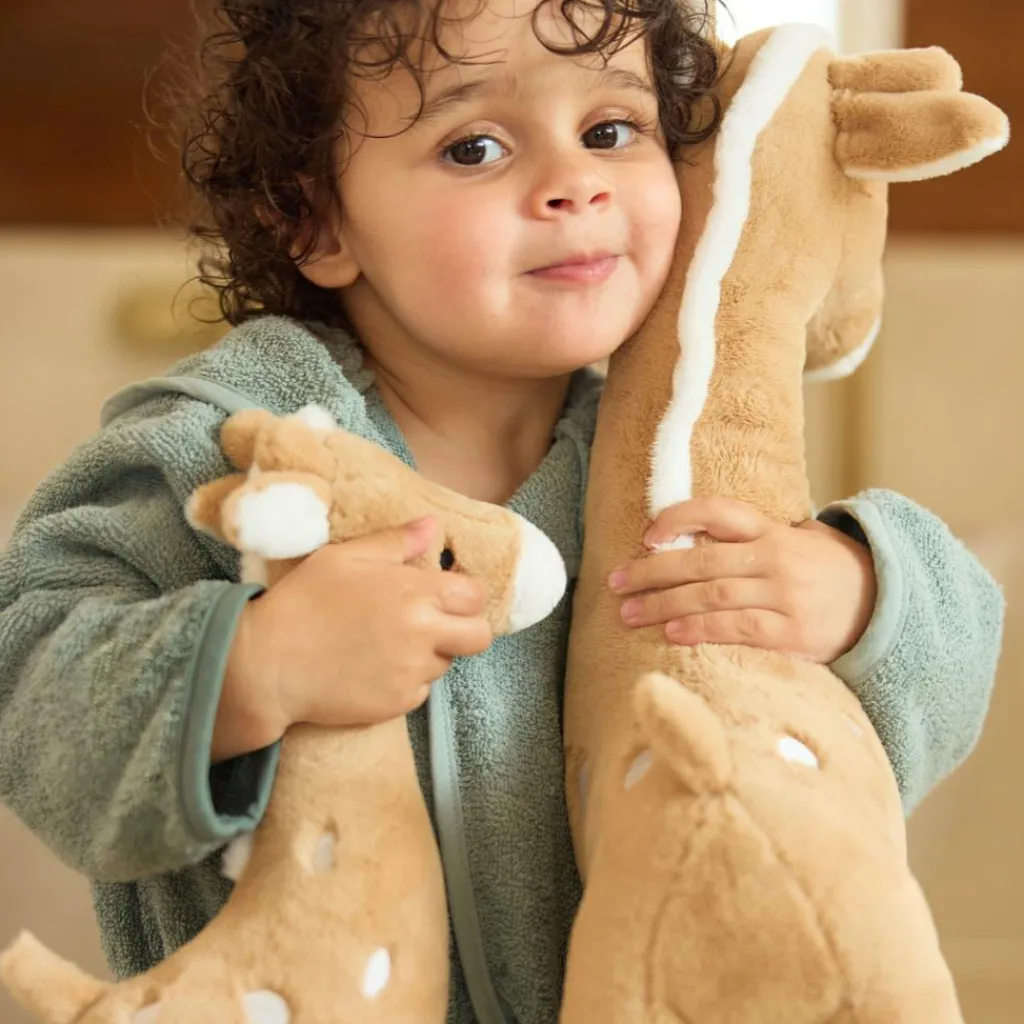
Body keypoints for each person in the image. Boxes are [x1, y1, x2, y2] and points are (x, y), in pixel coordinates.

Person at [0, 1, 1004, 1021]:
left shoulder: (668, 452)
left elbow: (952, 647)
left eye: (611, 130)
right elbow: (30, 691)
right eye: (474, 147)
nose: (575, 183)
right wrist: (255, 668)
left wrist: (859, 590)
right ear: (315, 221)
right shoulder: (221, 451)